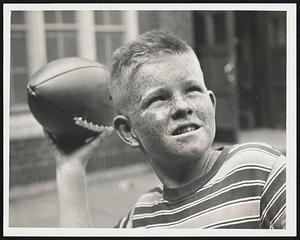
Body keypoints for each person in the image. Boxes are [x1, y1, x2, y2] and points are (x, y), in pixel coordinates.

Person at [46, 29, 286, 229]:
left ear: (211, 104)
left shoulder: (259, 168)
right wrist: (70, 170)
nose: (182, 107)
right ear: (128, 132)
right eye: (159, 98)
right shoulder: (140, 219)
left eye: (192, 89)